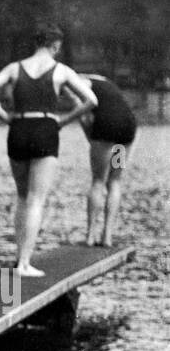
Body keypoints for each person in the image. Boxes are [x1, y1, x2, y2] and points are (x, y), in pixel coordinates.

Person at [0, 25, 97, 276]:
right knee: (36, 200)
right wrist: (63, 121)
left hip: (18, 129)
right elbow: (91, 101)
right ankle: (24, 264)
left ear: (36, 44)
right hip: (45, 129)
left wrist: (5, 117)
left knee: (22, 197)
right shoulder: (61, 71)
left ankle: (19, 258)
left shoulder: (14, 68)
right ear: (56, 46)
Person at [74, 74, 137, 246]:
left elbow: (81, 115)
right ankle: (107, 236)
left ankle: (90, 235)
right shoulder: (104, 81)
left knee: (98, 181)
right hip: (127, 127)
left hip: (106, 127)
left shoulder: (77, 82)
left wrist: (92, 139)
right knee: (115, 180)